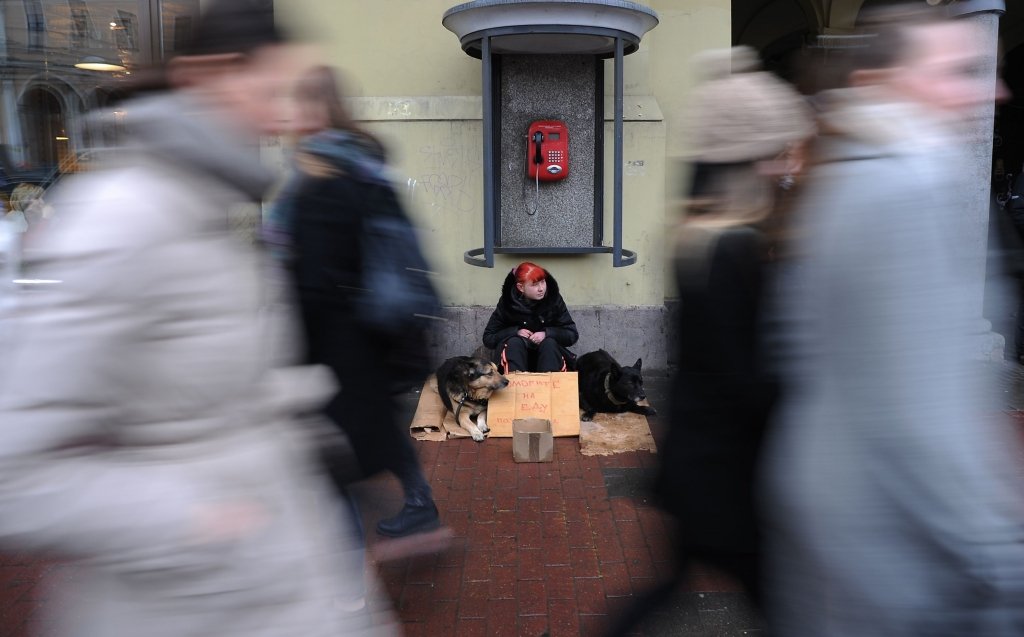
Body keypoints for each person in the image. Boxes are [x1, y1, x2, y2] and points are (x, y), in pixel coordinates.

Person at [0, 2, 394, 635]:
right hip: (180, 602)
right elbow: (15, 471)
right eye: (268, 91)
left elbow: (195, 378)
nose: (281, 116)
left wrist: (297, 418)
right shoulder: (120, 219)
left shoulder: (213, 212)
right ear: (204, 76)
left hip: (267, 577)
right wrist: (193, 521)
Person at [762, 5, 1024, 635]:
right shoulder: (902, 190)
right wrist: (999, 552)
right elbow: (919, 410)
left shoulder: (846, 176)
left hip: (840, 509)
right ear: (891, 79)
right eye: (961, 70)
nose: (994, 89)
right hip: (892, 540)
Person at [605, 46, 813, 636]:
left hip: (698, 463)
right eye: (773, 154)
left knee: (667, 590)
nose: (785, 166)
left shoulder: (697, 234)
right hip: (726, 476)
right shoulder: (734, 248)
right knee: (779, 606)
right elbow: (749, 379)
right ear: (746, 160)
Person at [273, 65, 443, 539]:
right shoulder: (369, 168)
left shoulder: (318, 179)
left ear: (318, 110)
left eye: (301, 104)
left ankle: (346, 582)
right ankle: (416, 504)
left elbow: (309, 281)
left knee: (336, 454)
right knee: (372, 429)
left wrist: (292, 356)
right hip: (381, 327)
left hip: (340, 337)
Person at [482, 261, 578, 373]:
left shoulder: (554, 300)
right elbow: (488, 338)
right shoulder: (507, 303)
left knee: (549, 343)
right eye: (535, 284)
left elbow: (572, 334)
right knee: (514, 342)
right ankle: (517, 386)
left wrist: (547, 333)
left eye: (542, 282)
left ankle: (549, 388)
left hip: (548, 358)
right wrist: (515, 332)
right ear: (521, 287)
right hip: (516, 359)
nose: (541, 288)